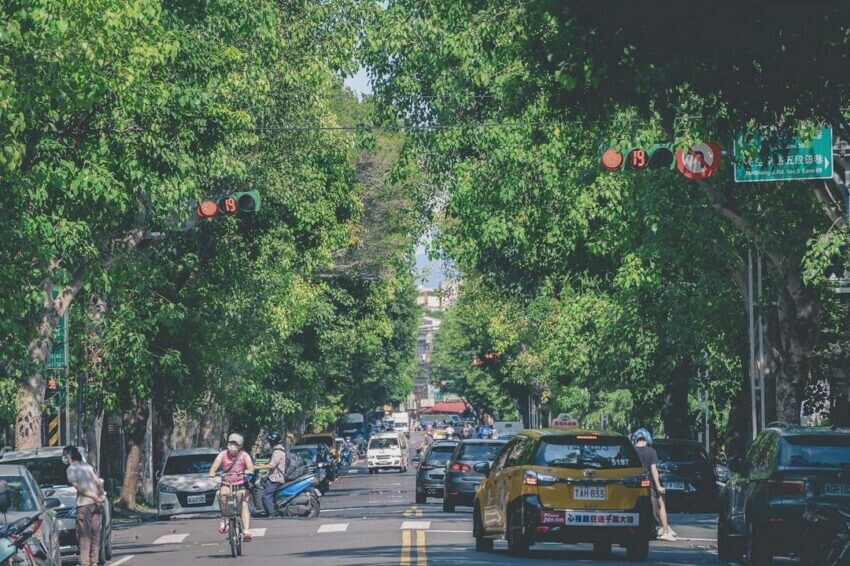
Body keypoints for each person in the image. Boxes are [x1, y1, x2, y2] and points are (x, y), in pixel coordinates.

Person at [631, 428, 676, 541]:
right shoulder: (651, 451)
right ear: (647, 439)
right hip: (648, 483)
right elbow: (653, 470)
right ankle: (665, 530)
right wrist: (658, 486)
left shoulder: (631, 450)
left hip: (632, 483)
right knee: (660, 504)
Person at [63, 445, 105, 566]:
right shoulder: (87, 466)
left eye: (65, 456)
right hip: (96, 504)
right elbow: (98, 482)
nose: (64, 459)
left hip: (84, 505)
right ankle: (94, 561)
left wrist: (93, 496)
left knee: (84, 535)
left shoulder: (71, 469)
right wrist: (100, 495)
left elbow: (80, 488)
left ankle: (85, 562)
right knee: (95, 533)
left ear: (69, 456)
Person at [209, 433, 255, 541]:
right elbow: (213, 468)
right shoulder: (222, 454)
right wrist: (212, 472)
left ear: (240, 446)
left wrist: (248, 471)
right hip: (226, 482)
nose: (232, 446)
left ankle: (246, 530)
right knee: (223, 495)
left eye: (235, 444)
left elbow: (251, 468)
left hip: (241, 483)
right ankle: (225, 519)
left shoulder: (244, 455)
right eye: (231, 443)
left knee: (243, 503)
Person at [255, 432, 286, 516]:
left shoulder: (278, 452)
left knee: (266, 496)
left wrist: (257, 467)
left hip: (275, 478)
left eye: (269, 442)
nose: (268, 443)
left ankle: (272, 514)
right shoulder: (278, 450)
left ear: (273, 442)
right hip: (273, 476)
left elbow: (271, 465)